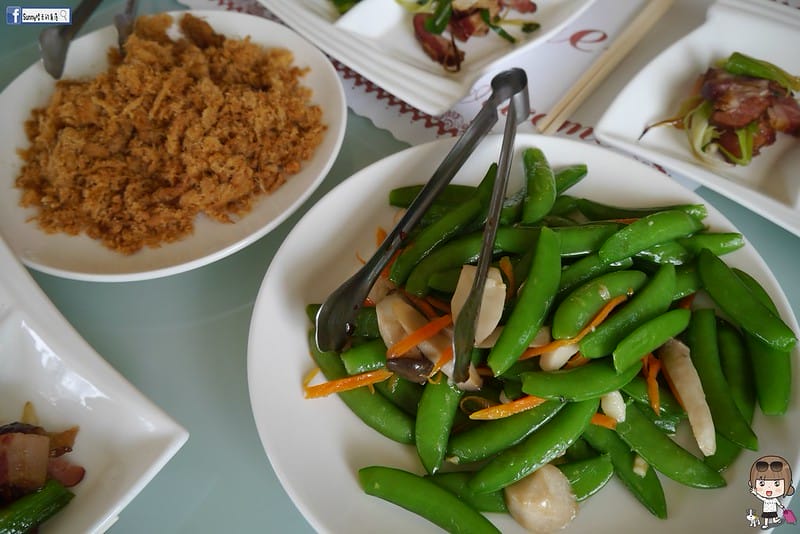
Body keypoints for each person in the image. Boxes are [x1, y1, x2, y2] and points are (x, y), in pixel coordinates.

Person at [749, 455, 795, 530]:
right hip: (766, 510)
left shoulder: (774, 499)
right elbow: (760, 497)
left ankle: (775, 520)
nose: (769, 488)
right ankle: (767, 524)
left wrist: (781, 506)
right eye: (762, 483)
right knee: (766, 517)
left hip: (772, 509)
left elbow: (777, 502)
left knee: (773, 515)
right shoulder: (768, 499)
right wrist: (755, 492)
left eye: (776, 484)